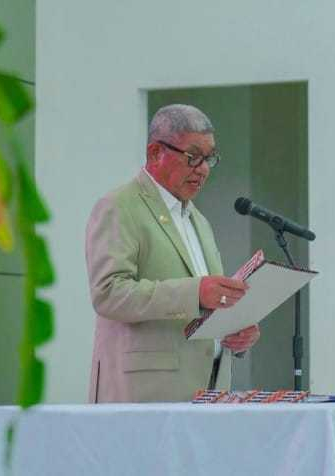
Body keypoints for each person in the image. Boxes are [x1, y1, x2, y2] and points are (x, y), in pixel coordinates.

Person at [85, 104, 260, 402]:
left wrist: (234, 329)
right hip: (144, 396)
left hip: (208, 393)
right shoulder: (119, 207)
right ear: (156, 153)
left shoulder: (198, 220)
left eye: (209, 158)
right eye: (193, 156)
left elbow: (205, 305)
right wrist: (195, 293)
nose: (203, 169)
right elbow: (108, 293)